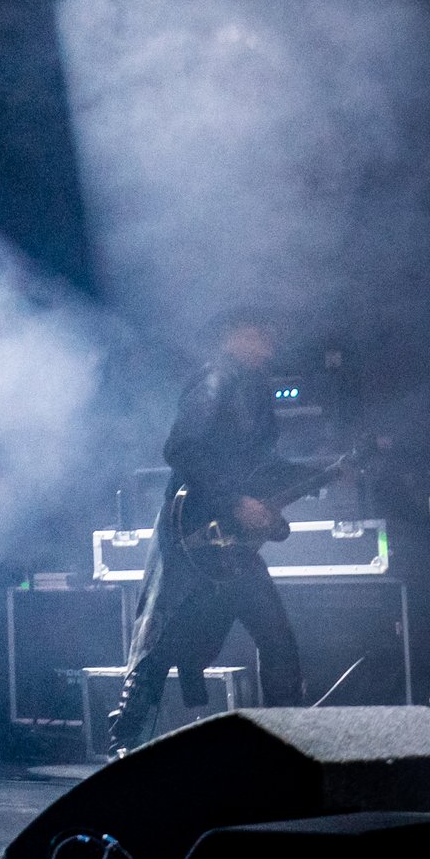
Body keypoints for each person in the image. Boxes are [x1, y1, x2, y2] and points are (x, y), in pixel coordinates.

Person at [106, 312, 306, 754]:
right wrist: (235, 502)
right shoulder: (215, 381)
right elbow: (181, 449)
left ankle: (290, 742)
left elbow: (260, 467)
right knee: (161, 637)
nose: (270, 342)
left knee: (275, 634)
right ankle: (125, 740)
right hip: (192, 535)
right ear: (235, 335)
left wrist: (323, 472)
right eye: (260, 332)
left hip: (232, 545)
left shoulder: (256, 392)